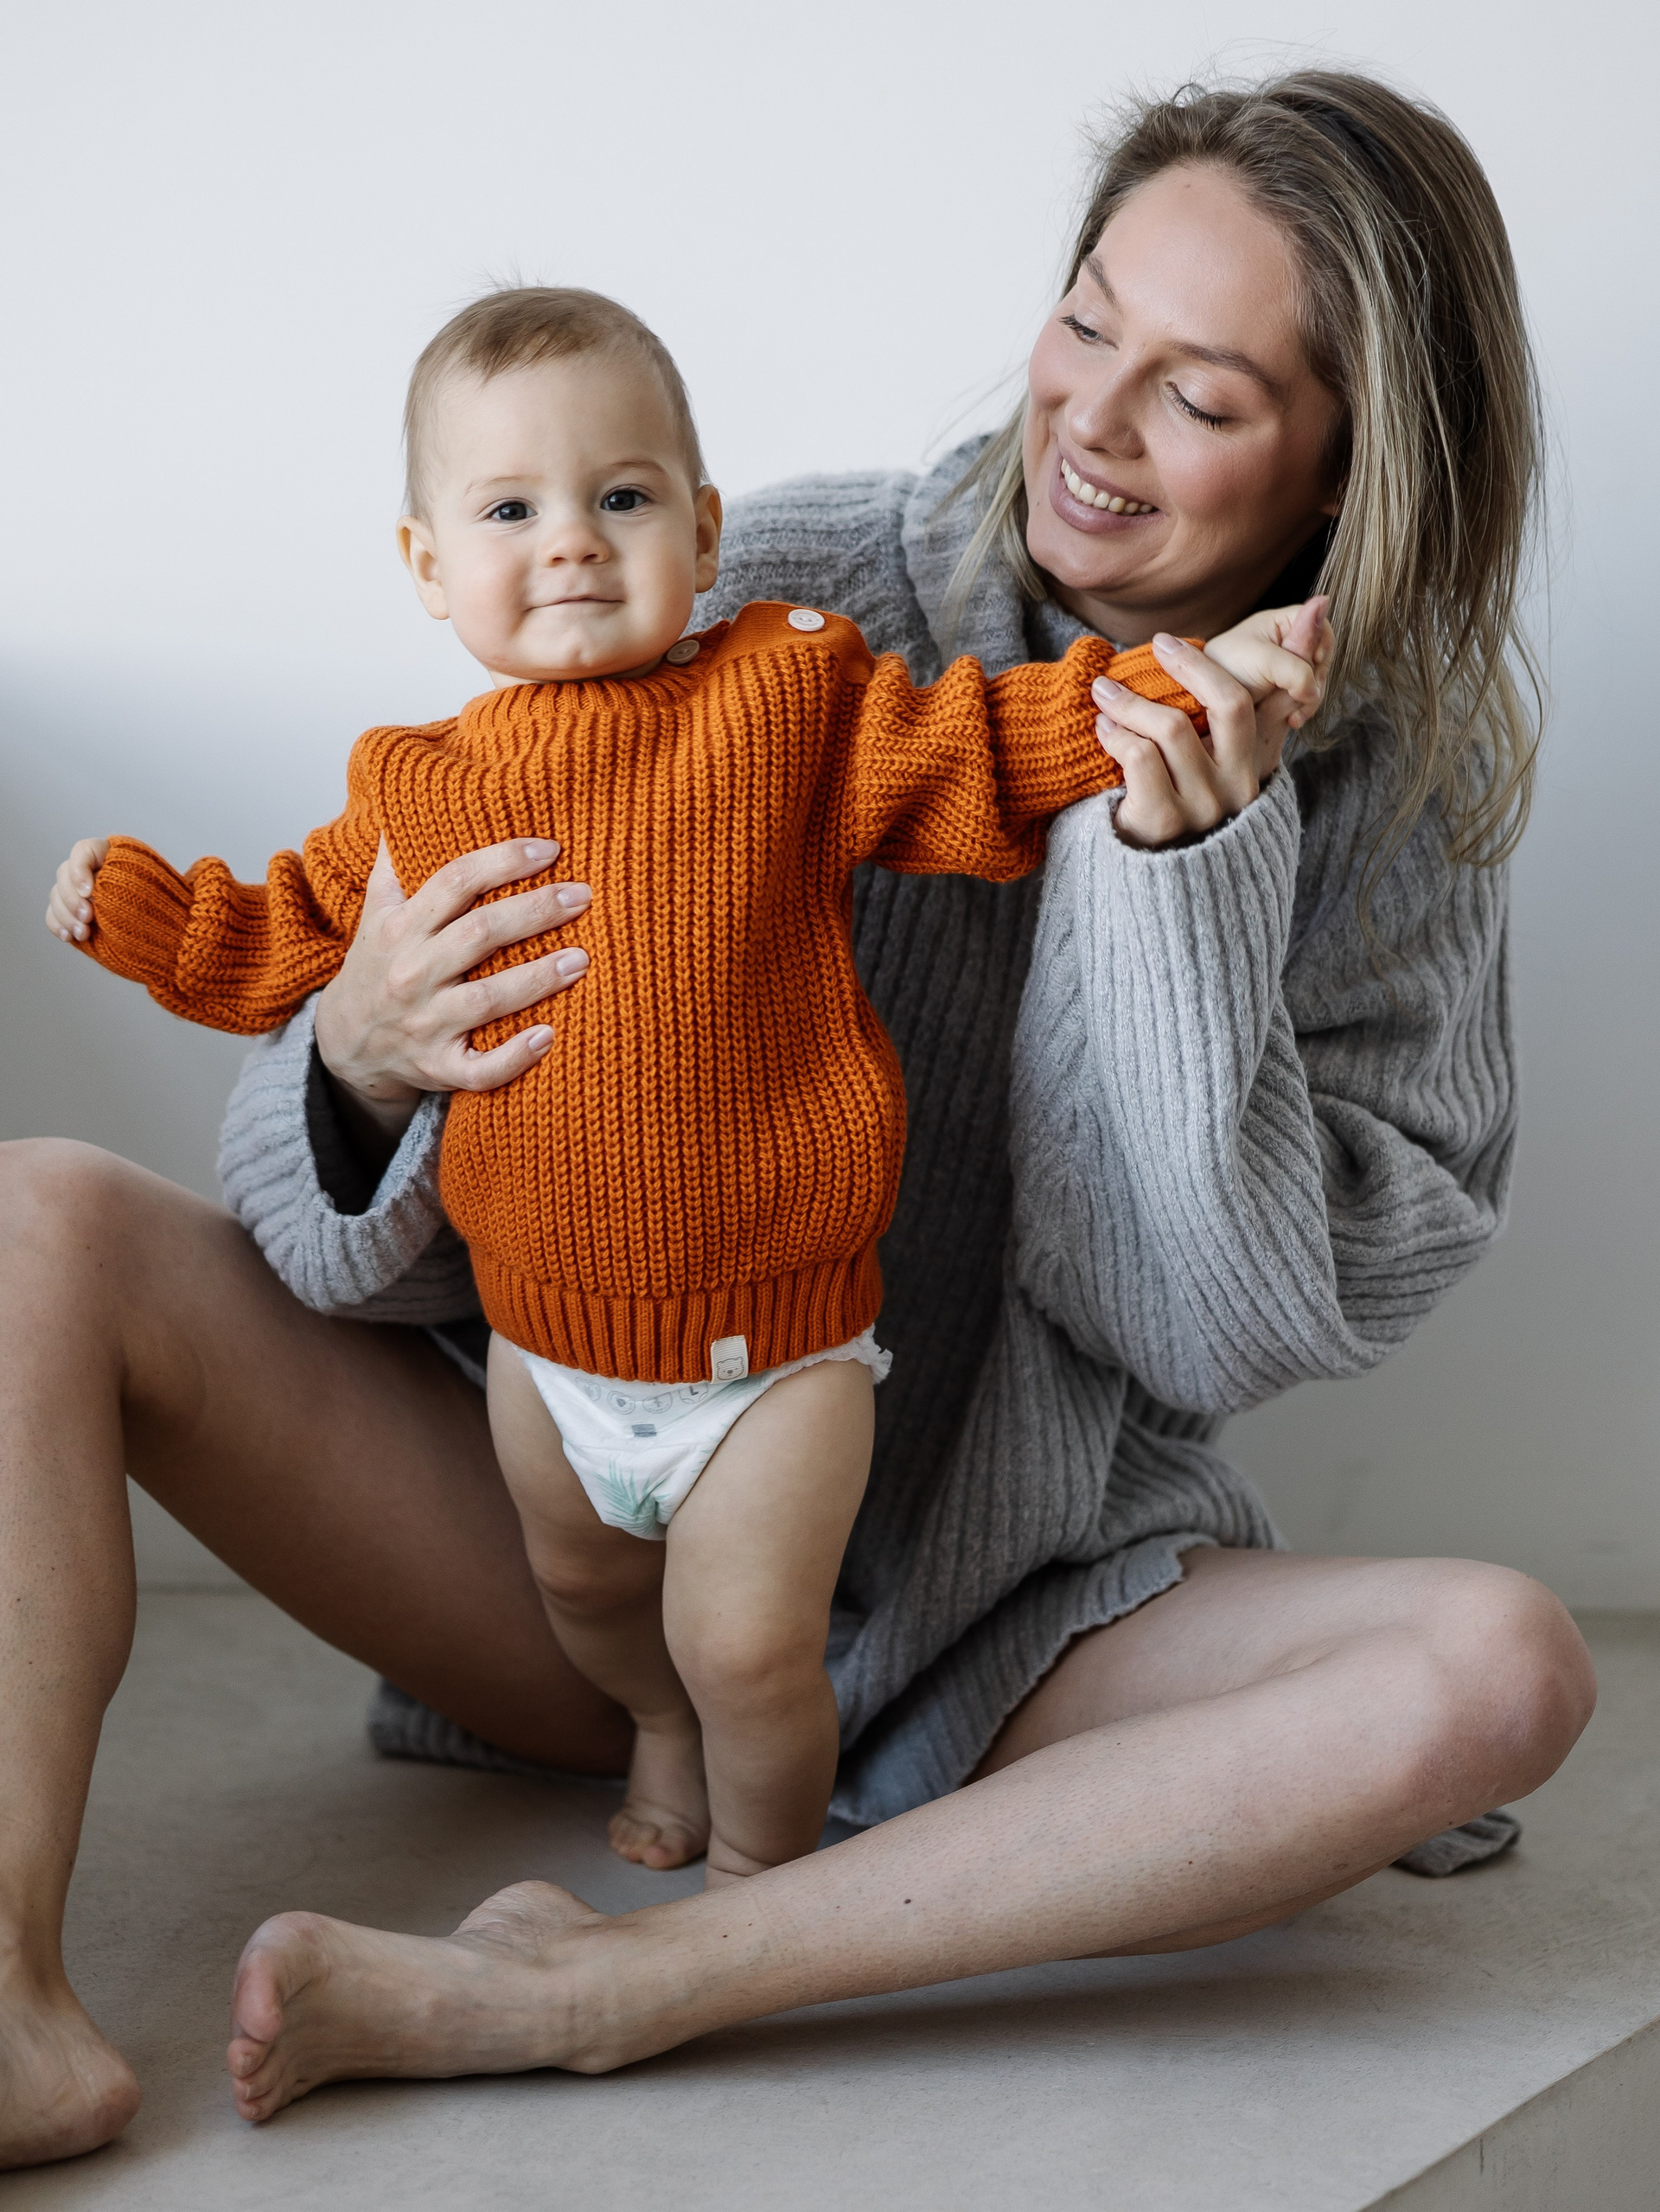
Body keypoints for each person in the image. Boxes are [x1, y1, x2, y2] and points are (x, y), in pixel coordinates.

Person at [0, 67, 1593, 2164]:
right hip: (577, 1542)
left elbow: (1203, 1331)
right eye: (1087, 319)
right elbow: (318, 1249)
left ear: (1347, 470)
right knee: (33, 1219)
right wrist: (368, 1048)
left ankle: (623, 1980)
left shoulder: (1406, 802)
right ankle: (6, 2000)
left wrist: (1178, 878)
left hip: (1003, 1620)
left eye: (1202, 396)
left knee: (1503, 1669)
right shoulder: (761, 597)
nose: (1095, 420)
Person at [45, 284, 1322, 1897]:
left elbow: (989, 744)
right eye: (511, 510)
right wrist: (149, 912)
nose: (573, 542)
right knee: (591, 1597)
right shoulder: (415, 791)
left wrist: (1196, 681)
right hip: (542, 1355)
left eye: (623, 496)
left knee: (747, 1648)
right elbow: (281, 936)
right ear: (428, 567)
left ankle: (752, 1889)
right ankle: (654, 1727)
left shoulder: (788, 700)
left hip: (774, 1355)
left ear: (705, 531)